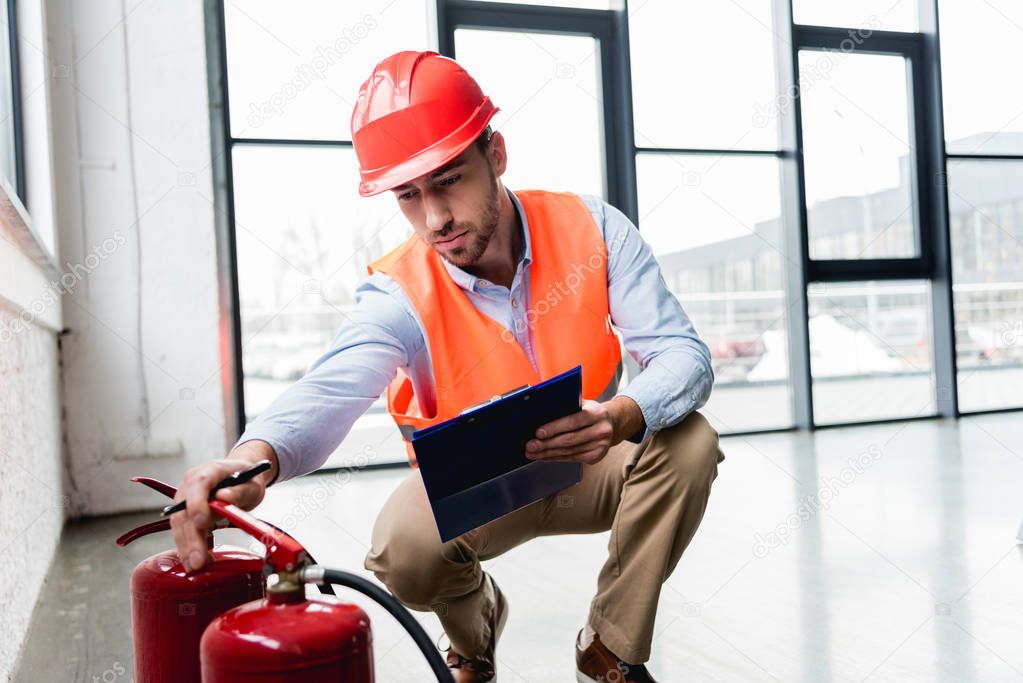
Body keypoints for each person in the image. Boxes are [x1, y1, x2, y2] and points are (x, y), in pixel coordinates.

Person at [170, 50, 725, 682]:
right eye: (409, 195)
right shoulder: (399, 293)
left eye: (448, 180)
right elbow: (330, 389)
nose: (435, 218)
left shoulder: (593, 229)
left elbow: (682, 354)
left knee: (691, 442)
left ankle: (609, 648)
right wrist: (253, 459)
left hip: (591, 459)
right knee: (402, 551)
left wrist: (620, 414)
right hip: (478, 491)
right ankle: (475, 633)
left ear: (496, 155)